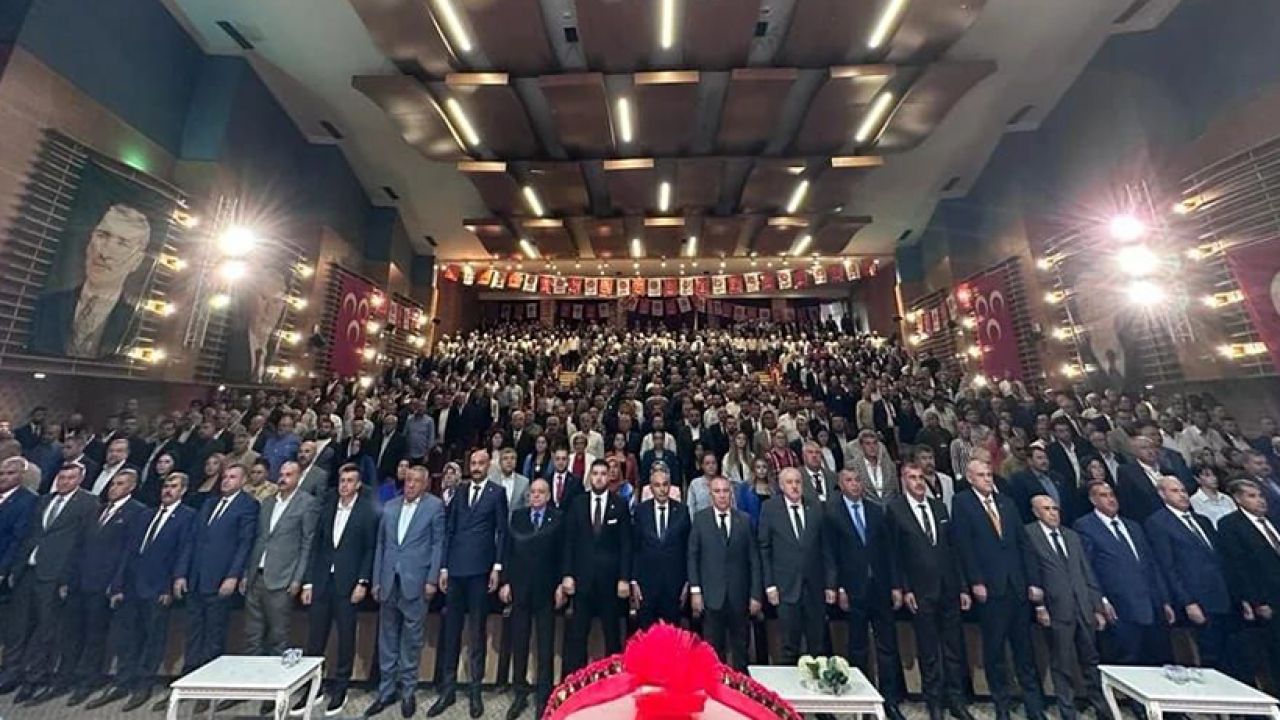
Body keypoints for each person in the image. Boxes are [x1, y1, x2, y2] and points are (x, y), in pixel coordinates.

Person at [950, 459, 1045, 720]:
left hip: (1017, 585)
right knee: (995, 651)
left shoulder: (1007, 502)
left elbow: (1023, 544)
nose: (987, 479)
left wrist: (1033, 581)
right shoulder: (962, 503)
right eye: (981, 475)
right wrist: (975, 581)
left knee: (1024, 650)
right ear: (970, 478)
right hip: (990, 587)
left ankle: (1034, 706)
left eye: (989, 474)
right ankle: (1001, 703)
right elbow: (964, 546)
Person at [93, 472, 195, 712]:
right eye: (166, 485)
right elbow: (128, 551)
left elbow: (184, 551)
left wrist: (170, 585)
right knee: (128, 637)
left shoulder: (187, 516)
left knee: (152, 638)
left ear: (183, 491)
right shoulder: (146, 514)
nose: (167, 490)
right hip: (132, 585)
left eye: (173, 486)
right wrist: (118, 584)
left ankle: (144, 682)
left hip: (158, 586)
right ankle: (123, 680)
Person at [0, 463, 98, 703]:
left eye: (70, 478)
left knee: (45, 628)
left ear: (80, 479)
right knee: (18, 626)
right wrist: (16, 568)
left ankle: (34, 677)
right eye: (62, 477)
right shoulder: (44, 500)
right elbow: (30, 535)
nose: (64, 482)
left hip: (55, 573)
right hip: (28, 569)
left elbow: (83, 544)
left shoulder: (88, 503)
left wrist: (68, 577)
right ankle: (11, 672)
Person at [886, 462, 973, 720]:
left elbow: (953, 550)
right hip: (920, 589)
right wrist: (904, 588)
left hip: (948, 586)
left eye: (920, 477)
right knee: (929, 650)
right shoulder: (896, 510)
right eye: (912, 477)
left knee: (954, 647)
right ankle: (933, 700)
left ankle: (956, 698)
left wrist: (963, 587)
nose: (918, 482)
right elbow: (894, 554)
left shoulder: (938, 507)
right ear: (903, 481)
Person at [430, 449, 509, 719]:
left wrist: (497, 567)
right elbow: (449, 531)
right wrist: (443, 567)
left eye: (480, 463)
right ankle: (448, 689)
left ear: (488, 466)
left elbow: (502, 531)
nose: (475, 467)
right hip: (455, 570)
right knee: (451, 631)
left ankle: (475, 689)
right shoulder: (460, 491)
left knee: (477, 632)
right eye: (472, 463)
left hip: (480, 571)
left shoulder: (497, 493)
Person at [60, 469, 149, 706]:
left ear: (131, 487)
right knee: (73, 631)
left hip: (106, 583)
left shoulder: (137, 512)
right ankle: (68, 675)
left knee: (96, 634)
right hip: (82, 579)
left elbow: (128, 552)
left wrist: (117, 583)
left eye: (120, 484)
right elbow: (78, 546)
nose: (113, 488)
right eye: (112, 483)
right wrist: (68, 578)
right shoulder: (97, 510)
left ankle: (89, 679)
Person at [822, 469, 906, 720]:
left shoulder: (876, 510)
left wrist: (895, 585)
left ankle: (889, 700)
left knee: (887, 646)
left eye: (858, 480)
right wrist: (837, 587)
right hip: (852, 587)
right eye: (849, 480)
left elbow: (889, 552)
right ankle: (863, 701)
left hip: (879, 586)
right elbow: (831, 554)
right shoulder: (832, 514)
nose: (855, 484)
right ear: (840, 484)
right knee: (858, 647)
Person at [300, 464, 379, 716]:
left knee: (345, 638)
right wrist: (309, 582)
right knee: (315, 639)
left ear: (358, 485)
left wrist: (363, 582)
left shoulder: (367, 512)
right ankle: (313, 687)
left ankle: (341, 688)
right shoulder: (328, 507)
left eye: (350, 481)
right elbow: (316, 546)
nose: (344, 485)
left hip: (348, 584)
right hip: (322, 581)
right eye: (342, 480)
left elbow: (369, 549)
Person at [1021, 495, 1109, 720]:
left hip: (1083, 606)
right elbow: (1032, 572)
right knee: (1062, 664)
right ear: (1036, 512)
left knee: (1091, 662)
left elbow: (1086, 572)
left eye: (1055, 508)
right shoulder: (1029, 534)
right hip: (1056, 607)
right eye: (1047, 509)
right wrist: (1040, 606)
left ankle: (1102, 708)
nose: (1053, 513)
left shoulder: (1071, 536)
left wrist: (1097, 607)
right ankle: (1067, 711)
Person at [368, 465, 444, 718]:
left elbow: (437, 544)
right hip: (388, 580)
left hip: (417, 581)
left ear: (425, 484)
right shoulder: (390, 506)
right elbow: (381, 545)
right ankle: (386, 691)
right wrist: (376, 580)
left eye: (416, 481)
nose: (410, 484)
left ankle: (408, 691)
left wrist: (432, 579)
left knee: (411, 641)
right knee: (387, 638)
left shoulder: (434, 506)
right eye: (408, 480)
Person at [241, 460, 318, 711]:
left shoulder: (307, 503)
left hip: (282, 579)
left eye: (289, 474)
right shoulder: (267, 502)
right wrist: (247, 573)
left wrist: (298, 579)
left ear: (299, 477)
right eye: (281, 474)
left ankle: (273, 693)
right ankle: (251, 687)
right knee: (252, 636)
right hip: (257, 575)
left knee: (278, 637)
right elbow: (259, 539)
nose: (283, 478)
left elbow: (307, 544)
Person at [29, 203, 152, 358]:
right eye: (102, 235)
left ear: (137, 261)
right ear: (89, 242)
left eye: (123, 244)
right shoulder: (46, 303)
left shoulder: (135, 326)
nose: (104, 253)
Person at [176, 463, 259, 692]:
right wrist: (181, 573)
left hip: (220, 578)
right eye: (225, 476)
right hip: (196, 577)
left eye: (232, 477)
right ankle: (188, 681)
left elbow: (245, 543)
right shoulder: (209, 503)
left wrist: (233, 576)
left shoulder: (248, 505)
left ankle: (208, 685)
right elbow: (192, 540)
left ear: (243, 481)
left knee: (214, 635)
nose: (226, 480)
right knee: (193, 633)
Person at [1143, 476, 1237, 678]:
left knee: (1232, 656)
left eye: (1183, 490)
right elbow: (1167, 567)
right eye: (1175, 491)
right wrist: (1187, 601)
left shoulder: (1202, 520)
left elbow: (1219, 559)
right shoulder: (1158, 523)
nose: (1182, 495)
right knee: (1209, 657)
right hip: (1197, 599)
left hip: (1222, 597)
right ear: (1162, 494)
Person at [1073, 482, 1173, 665]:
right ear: (1093, 500)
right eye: (1103, 495)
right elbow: (1087, 568)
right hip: (1119, 607)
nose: (1110, 499)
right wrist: (1101, 600)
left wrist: (1164, 599)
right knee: (1126, 662)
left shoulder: (1133, 526)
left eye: (1112, 494)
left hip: (1151, 605)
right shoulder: (1085, 526)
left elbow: (1151, 564)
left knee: (1158, 661)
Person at [499, 478, 564, 720]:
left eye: (540, 492)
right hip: (520, 589)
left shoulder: (558, 518)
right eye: (533, 492)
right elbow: (509, 551)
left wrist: (561, 584)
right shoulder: (518, 517)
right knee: (520, 642)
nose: (535, 495)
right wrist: (506, 581)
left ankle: (544, 696)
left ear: (548, 496)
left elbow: (563, 553)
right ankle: (520, 692)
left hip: (546, 591)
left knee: (545, 646)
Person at [560, 459, 632, 677]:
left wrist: (624, 578)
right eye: (596, 473)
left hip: (610, 582)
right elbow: (569, 542)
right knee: (577, 636)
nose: (599, 478)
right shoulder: (578, 503)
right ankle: (575, 684)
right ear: (590, 477)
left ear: (609, 477)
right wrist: (567, 574)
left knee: (612, 636)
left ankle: (614, 683)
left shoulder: (620, 504)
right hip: (582, 580)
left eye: (603, 474)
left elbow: (626, 545)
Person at [688, 475, 761, 671]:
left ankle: (740, 687)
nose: (722, 495)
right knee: (713, 653)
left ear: (731, 494)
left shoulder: (744, 520)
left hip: (739, 596)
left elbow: (754, 560)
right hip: (712, 597)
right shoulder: (701, 520)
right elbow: (693, 557)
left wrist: (755, 595)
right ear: (710, 495)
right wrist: (696, 591)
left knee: (741, 652)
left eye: (725, 491)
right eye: (717, 491)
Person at [758, 467, 827, 665]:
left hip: (814, 587)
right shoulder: (770, 509)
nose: (794, 486)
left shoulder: (815, 507)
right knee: (789, 646)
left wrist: (830, 583)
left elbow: (825, 547)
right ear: (781, 486)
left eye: (797, 482)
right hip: (785, 587)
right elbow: (764, 548)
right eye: (789, 482)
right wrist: (769, 585)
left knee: (817, 645)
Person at [1218, 479, 1280, 692]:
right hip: (1268, 599)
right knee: (1274, 653)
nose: (1260, 500)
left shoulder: (1273, 521)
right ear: (1238, 499)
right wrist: (1256, 601)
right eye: (1252, 496)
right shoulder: (1231, 525)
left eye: (1260, 495)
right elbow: (1238, 567)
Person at [631, 466, 691, 629]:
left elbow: (688, 549)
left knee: (672, 635)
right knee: (646, 634)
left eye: (665, 484)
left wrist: (687, 582)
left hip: (674, 585)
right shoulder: (641, 511)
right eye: (657, 485)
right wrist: (634, 581)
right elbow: (635, 547)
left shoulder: (682, 511)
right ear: (651, 488)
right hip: (647, 585)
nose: (662, 489)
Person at [222, 262, 289, 383]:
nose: (269, 309)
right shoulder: (228, 342)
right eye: (264, 298)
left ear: (283, 308)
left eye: (276, 302)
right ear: (249, 299)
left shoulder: (278, 354)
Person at [1010, 445, 1074, 524]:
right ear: (1030, 461)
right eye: (1039, 458)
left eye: (1046, 458)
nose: (1044, 461)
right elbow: (1022, 507)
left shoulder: (1058, 477)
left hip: (1064, 524)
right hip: (1038, 525)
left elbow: (1068, 503)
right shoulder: (1020, 480)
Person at [1115, 436, 1167, 522]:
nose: (1150, 451)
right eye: (1144, 448)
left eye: (1152, 447)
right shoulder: (1127, 472)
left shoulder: (1167, 470)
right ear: (1135, 452)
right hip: (1147, 519)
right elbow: (1126, 503)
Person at [846, 430, 898, 504]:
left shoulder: (890, 465)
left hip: (889, 505)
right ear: (861, 446)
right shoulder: (852, 467)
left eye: (875, 443)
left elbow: (895, 491)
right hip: (867, 506)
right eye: (868, 444)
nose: (872, 447)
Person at [1189, 464, 1236, 528]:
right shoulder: (1194, 501)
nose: (1214, 478)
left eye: (1214, 475)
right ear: (1197, 479)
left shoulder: (1226, 498)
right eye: (1207, 475)